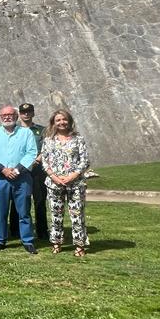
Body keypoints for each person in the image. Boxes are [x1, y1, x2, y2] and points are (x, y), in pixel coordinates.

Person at [0, 105, 38, 253]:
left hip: (21, 178)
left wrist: (16, 170)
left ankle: (27, 240)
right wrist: (3, 170)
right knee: (0, 211)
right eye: (4, 115)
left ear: (16, 116)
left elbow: (31, 153)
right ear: (0, 117)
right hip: (0, 178)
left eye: (10, 115)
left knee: (24, 211)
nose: (7, 117)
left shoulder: (26, 133)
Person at [41, 109, 92, 257]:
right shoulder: (48, 140)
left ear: (69, 121)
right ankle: (56, 243)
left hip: (75, 183)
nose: (62, 122)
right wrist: (54, 176)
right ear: (53, 123)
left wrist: (73, 176)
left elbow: (85, 160)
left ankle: (79, 245)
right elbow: (45, 161)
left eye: (64, 120)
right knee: (56, 214)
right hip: (54, 183)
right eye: (58, 120)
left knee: (77, 214)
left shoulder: (78, 139)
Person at [10, 103, 48, 240]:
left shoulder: (41, 130)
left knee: (39, 201)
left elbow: (46, 148)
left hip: (37, 170)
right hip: (20, 170)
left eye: (29, 112)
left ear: (33, 113)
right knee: (17, 201)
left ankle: (42, 231)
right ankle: (14, 230)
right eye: (23, 112)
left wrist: (37, 159)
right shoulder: (14, 130)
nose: (26, 114)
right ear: (19, 114)